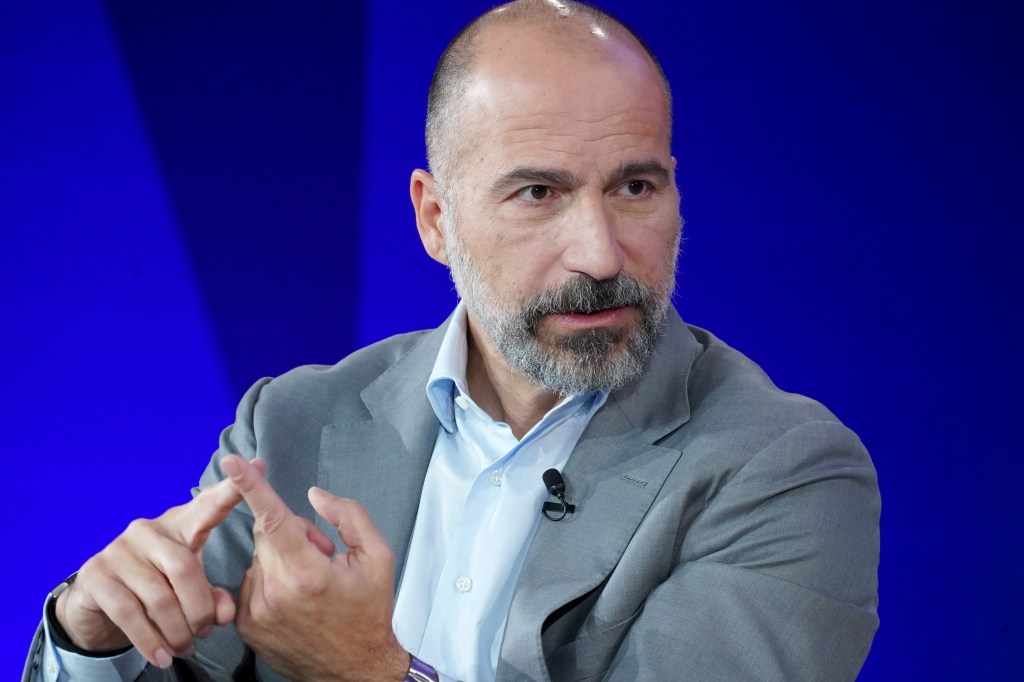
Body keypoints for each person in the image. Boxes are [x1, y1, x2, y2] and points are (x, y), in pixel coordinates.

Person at [24, 1, 880, 680]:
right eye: (539, 192)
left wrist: (370, 674)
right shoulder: (292, 424)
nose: (601, 252)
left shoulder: (785, 469)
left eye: (635, 186)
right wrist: (92, 640)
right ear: (436, 219)